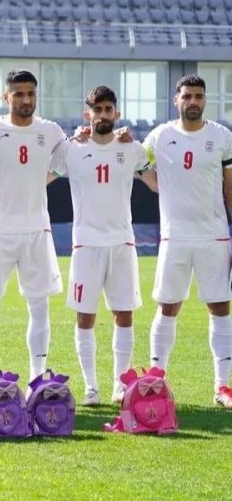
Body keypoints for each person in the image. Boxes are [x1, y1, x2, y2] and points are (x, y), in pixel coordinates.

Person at [49, 86, 156, 405]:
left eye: (108, 109)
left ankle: (120, 386)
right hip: (86, 246)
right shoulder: (72, 150)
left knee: (124, 315)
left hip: (122, 244)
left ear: (116, 113)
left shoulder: (132, 149)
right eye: (98, 109)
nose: (103, 114)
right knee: (85, 317)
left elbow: (157, 182)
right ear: (88, 114)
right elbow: (39, 177)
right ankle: (91, 387)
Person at [0, 69, 67, 383]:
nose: (26, 100)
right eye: (19, 94)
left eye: (31, 94)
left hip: (36, 231)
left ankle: (37, 377)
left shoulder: (51, 131)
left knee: (39, 307)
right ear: (6, 97)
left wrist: (39, 182)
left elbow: (66, 161)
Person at [143, 74, 232, 409]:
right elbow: (137, 163)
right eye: (187, 96)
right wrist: (158, 185)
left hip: (214, 236)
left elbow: (230, 187)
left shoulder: (222, 136)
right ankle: (157, 378)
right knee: (168, 306)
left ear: (205, 100)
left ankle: (223, 386)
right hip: (175, 236)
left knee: (220, 307)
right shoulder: (160, 136)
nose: (193, 102)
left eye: (198, 96)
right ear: (176, 100)